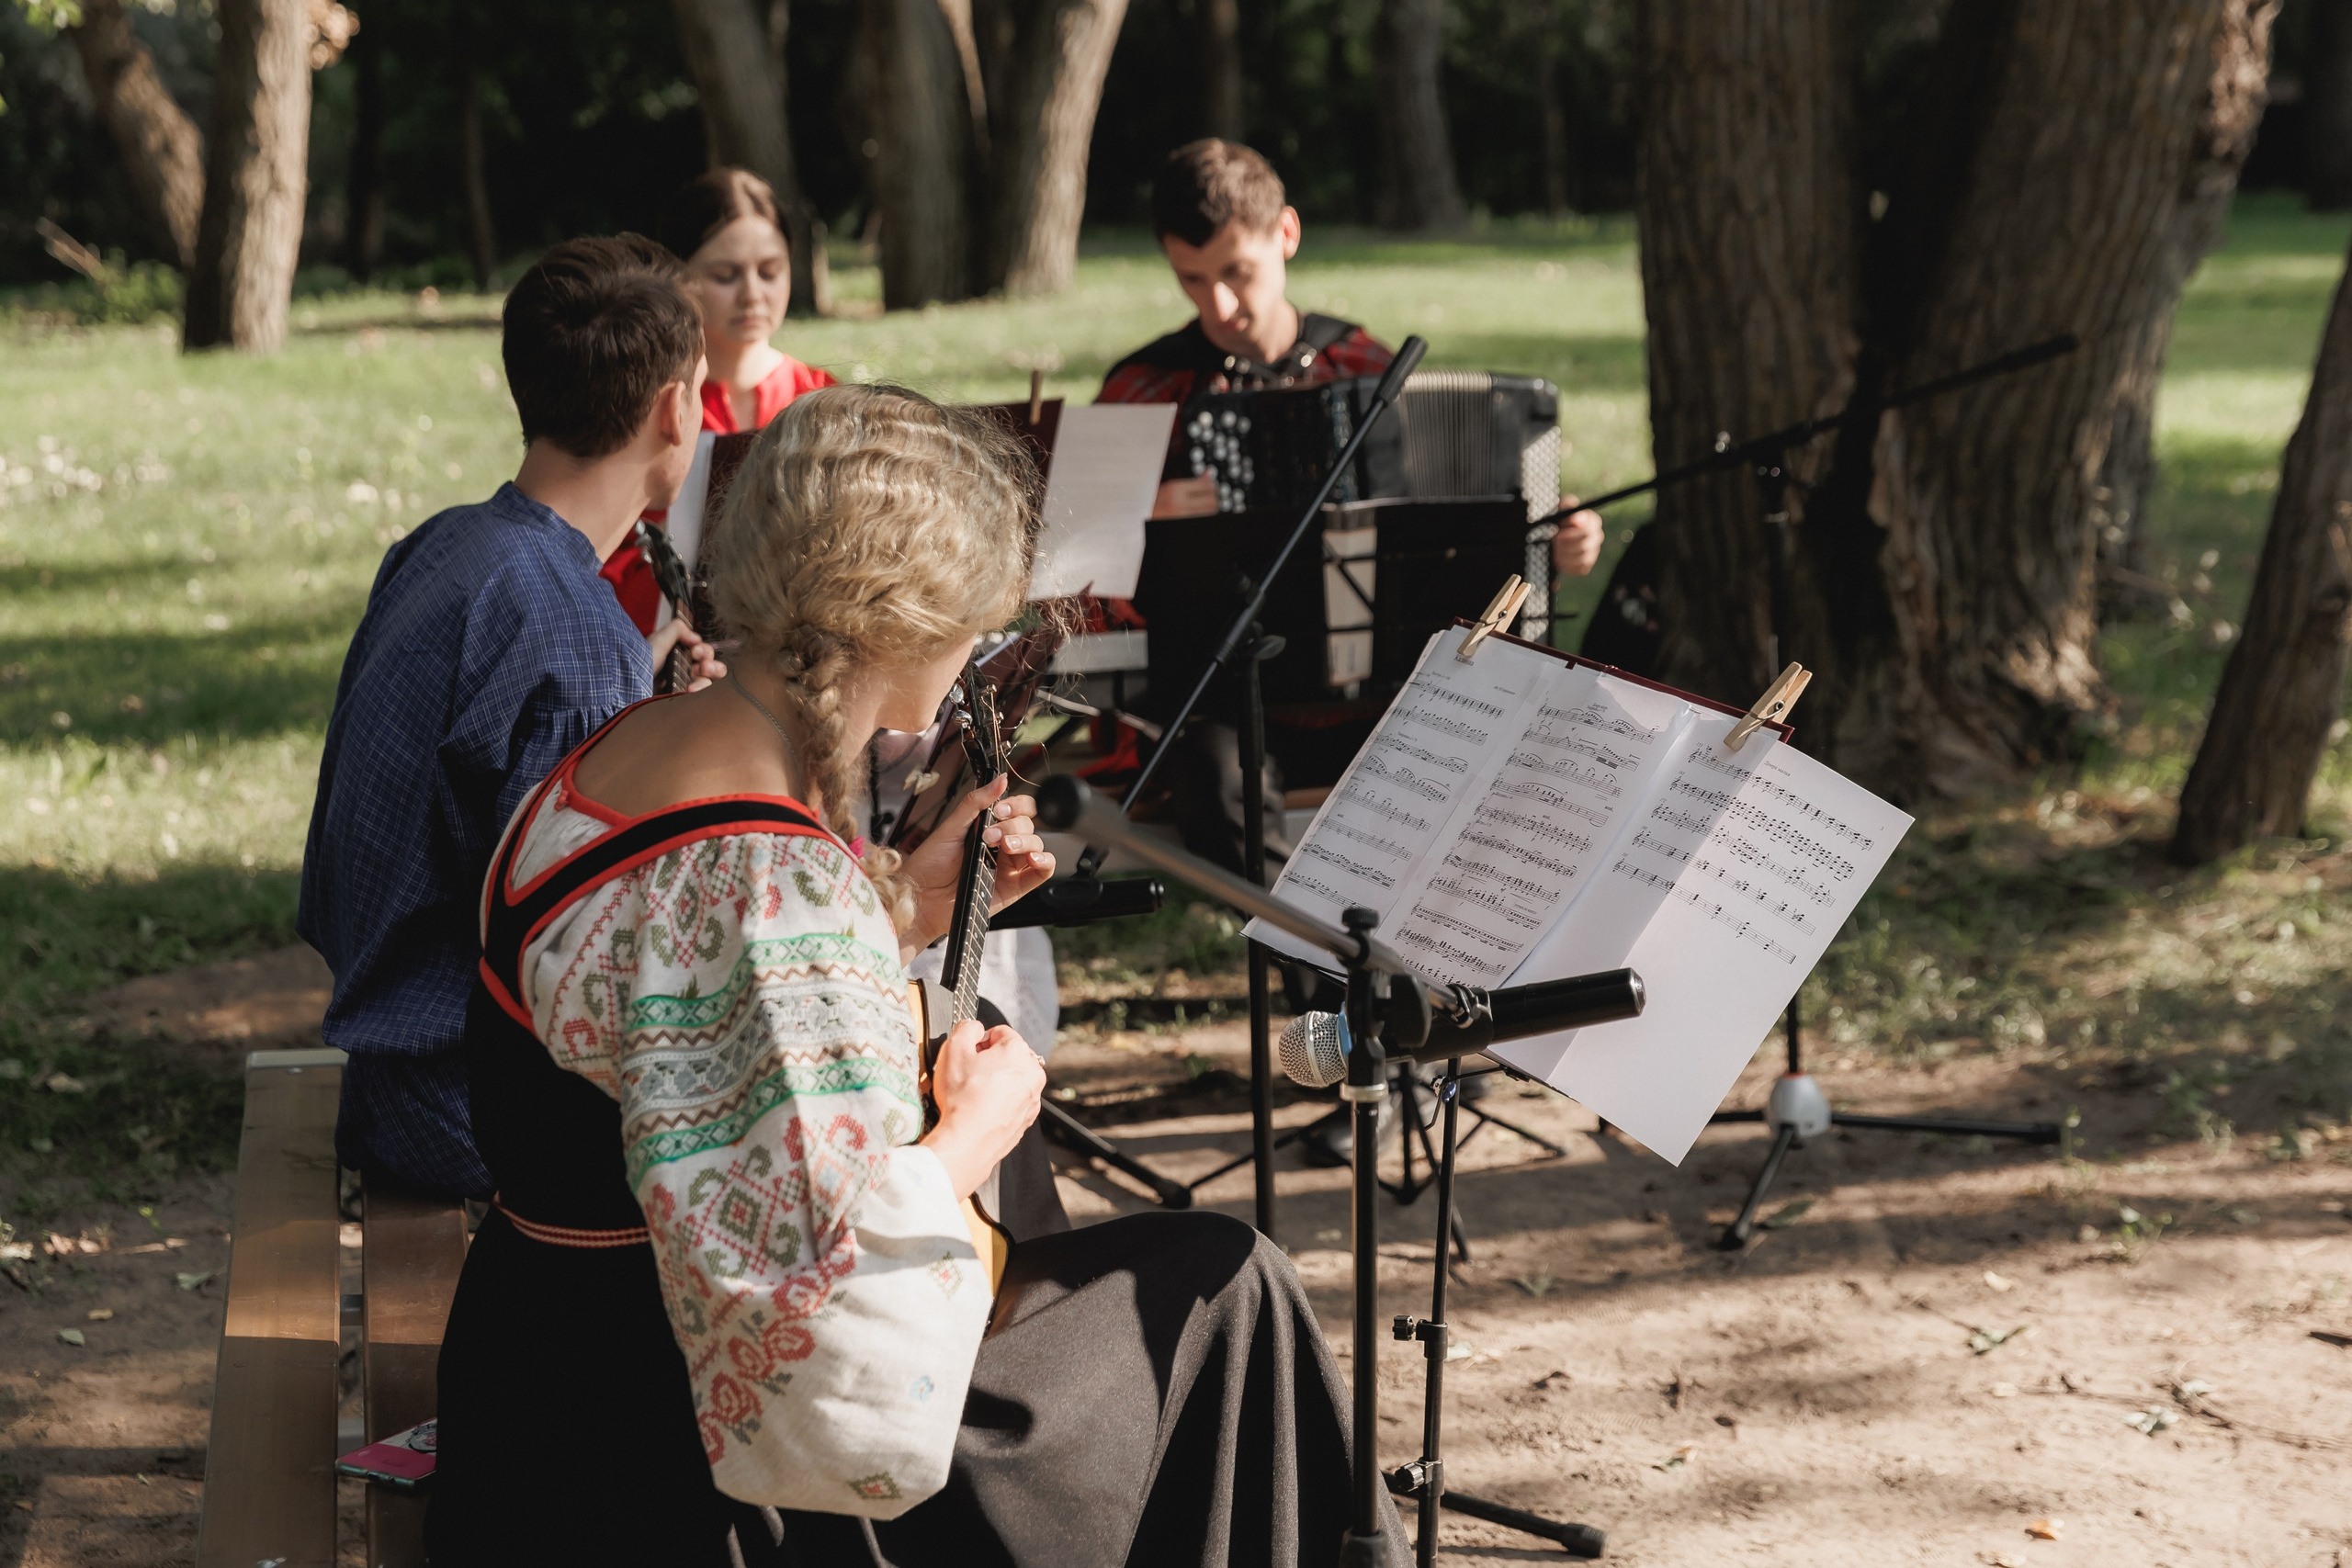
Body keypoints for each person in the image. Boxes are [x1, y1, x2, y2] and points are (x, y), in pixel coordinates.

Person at [426, 384, 1395, 1566]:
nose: (978, 649)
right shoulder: (769, 882)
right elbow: (810, 1309)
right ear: (899, 619)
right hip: (672, 1460)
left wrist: (910, 911)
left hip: (540, 1375)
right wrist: (976, 1132)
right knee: (1225, 1298)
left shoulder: (628, 748)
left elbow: (687, 1044)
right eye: (970, 623)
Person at [298, 236, 725, 1200]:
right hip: (469, 1103)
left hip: (392, 1055)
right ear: (674, 410)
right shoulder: (579, 631)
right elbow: (587, 967)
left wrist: (646, 724)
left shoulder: (448, 545)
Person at [601, 167, 839, 634]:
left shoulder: (821, 396)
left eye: (770, 271)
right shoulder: (648, 402)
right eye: (726, 275)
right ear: (677, 276)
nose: (753, 294)